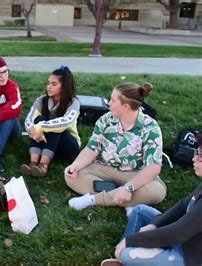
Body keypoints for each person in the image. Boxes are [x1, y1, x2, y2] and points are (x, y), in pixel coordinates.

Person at [101, 133, 202, 266]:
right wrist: (155, 224)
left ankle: (124, 256)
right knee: (140, 211)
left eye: (200, 156)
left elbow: (177, 233)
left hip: (189, 258)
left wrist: (131, 241)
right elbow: (183, 206)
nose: (193, 158)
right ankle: (122, 259)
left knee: (127, 253)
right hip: (185, 240)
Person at [64, 82, 166, 211]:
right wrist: (76, 166)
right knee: (71, 175)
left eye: (113, 100)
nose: (108, 103)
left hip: (135, 174)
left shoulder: (150, 127)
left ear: (125, 107)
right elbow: (92, 149)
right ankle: (127, 200)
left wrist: (129, 187)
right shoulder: (105, 120)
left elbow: (153, 168)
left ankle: (93, 200)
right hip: (105, 169)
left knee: (157, 191)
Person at [21, 66, 80, 178]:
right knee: (39, 119)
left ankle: (43, 166)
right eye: (48, 83)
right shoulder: (42, 100)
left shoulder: (73, 103)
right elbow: (29, 119)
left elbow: (65, 122)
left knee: (55, 124)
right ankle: (33, 163)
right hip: (48, 145)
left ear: (63, 87)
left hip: (68, 147)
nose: (49, 87)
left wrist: (40, 127)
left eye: (54, 84)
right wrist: (34, 132)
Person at [0, 57, 23, 172]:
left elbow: (15, 106)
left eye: (5, 71)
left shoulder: (12, 86)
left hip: (11, 128)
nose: (3, 76)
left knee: (9, 117)